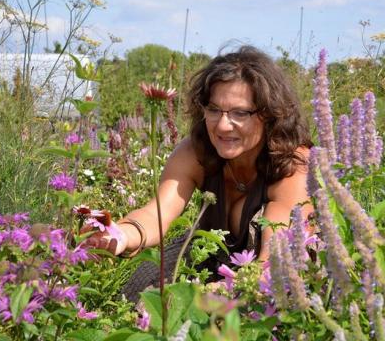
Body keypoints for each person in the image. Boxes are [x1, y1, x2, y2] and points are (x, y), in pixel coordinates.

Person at [86, 45, 313, 298]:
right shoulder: (196, 150)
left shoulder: (293, 166)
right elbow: (157, 213)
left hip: (275, 279)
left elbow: (275, 261)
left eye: (240, 113)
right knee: (144, 282)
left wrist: (226, 290)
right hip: (208, 255)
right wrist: (121, 235)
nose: (224, 125)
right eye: (214, 110)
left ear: (269, 114)